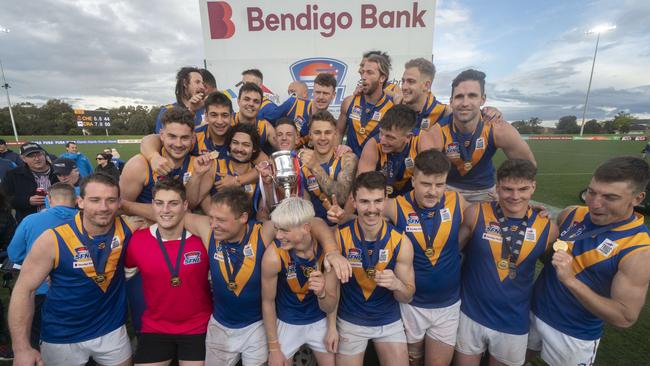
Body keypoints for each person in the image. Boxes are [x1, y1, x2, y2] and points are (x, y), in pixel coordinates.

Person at [122, 183, 352, 366]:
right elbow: (169, 213)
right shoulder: (206, 228)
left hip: (256, 327)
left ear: (243, 218)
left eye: (221, 220)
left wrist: (332, 252)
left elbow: (312, 221)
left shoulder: (263, 232)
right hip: (220, 325)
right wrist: (127, 208)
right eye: (211, 218)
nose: (214, 225)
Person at [329, 150, 465, 366]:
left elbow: (483, 214)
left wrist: (529, 208)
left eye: (439, 185)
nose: (432, 191)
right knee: (414, 358)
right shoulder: (396, 205)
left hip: (444, 303)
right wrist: (343, 217)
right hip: (407, 306)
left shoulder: (457, 201)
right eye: (426, 184)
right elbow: (369, 214)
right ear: (413, 181)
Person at [527, 156, 650, 366]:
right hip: (531, 312)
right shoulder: (572, 214)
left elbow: (624, 317)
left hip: (573, 334)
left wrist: (570, 280)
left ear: (637, 198)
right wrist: (540, 229)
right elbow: (546, 258)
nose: (594, 203)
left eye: (610, 197)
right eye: (591, 192)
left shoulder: (638, 249)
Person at [9, 173, 140, 366]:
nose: (103, 208)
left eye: (111, 200)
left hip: (111, 329)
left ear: (119, 203)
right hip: (62, 335)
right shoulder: (52, 240)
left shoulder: (128, 227)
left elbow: (166, 216)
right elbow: (24, 290)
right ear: (80, 202)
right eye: (95, 200)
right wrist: (21, 349)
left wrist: (128, 206)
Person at [454, 159, 556, 366]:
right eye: (508, 189)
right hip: (470, 313)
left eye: (523, 189)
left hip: (513, 320)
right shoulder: (475, 214)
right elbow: (451, 253)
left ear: (533, 187)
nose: (515, 196)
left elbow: (552, 271)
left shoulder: (548, 228)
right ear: (497, 187)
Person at [125, 179, 212, 366]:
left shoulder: (202, 239)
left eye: (173, 203)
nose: (166, 210)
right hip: (155, 328)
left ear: (185, 206)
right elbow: (121, 275)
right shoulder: (137, 240)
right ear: (152, 205)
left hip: (197, 327)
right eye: (159, 203)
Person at [335, 171, 415, 365]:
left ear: (386, 200)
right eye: (364, 202)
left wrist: (397, 284)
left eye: (378, 201)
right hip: (350, 320)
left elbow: (408, 296)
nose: (372, 209)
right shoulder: (339, 237)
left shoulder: (401, 241)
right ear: (353, 201)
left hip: (388, 321)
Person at [436, 69, 535, 202]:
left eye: (472, 96)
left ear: (483, 99)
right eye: (459, 96)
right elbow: (424, 175)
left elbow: (528, 167)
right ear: (451, 101)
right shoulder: (436, 132)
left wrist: (511, 196)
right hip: (448, 189)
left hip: (485, 191)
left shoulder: (499, 129)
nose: (465, 103)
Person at [261, 198, 339, 366]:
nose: (278, 235)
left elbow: (331, 304)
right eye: (277, 229)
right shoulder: (273, 256)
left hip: (319, 319)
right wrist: (273, 348)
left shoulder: (326, 250)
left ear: (305, 229)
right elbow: (267, 302)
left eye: (284, 231)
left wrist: (322, 294)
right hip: (286, 322)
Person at [7, 183, 78, 350]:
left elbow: (14, 254)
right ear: (76, 200)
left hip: (39, 290)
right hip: (77, 291)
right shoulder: (85, 220)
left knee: (38, 337)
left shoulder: (30, 220)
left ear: (49, 199)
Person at [358, 104, 438, 197]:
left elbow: (430, 184)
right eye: (381, 133)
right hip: (381, 197)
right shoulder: (373, 144)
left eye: (390, 137)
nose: (382, 141)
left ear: (408, 137)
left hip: (414, 197)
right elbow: (363, 188)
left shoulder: (422, 141)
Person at [296, 110, 358, 225]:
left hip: (344, 226)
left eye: (328, 132)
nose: (323, 137)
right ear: (310, 135)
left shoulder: (347, 159)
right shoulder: (300, 162)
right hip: (314, 227)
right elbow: (305, 207)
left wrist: (315, 167)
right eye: (317, 132)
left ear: (335, 134)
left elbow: (341, 197)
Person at [338, 54, 395, 157]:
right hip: (350, 166)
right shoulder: (349, 102)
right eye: (363, 72)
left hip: (376, 169)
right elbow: (338, 133)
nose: (364, 77)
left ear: (382, 78)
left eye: (369, 73)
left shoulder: (392, 107)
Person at [261, 73, 338, 148]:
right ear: (313, 92)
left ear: (333, 95)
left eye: (325, 93)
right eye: (318, 92)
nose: (321, 97)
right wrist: (278, 144)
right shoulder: (293, 104)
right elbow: (263, 119)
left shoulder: (329, 122)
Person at [1, 142, 59, 222]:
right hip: (30, 222)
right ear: (23, 158)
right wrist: (27, 201)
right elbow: (4, 199)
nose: (37, 159)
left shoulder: (59, 172)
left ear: (45, 155)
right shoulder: (13, 175)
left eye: (39, 154)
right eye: (31, 156)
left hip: (58, 220)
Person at [399, 58, 449, 133]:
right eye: (403, 81)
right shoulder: (398, 104)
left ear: (426, 85)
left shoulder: (443, 112)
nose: (404, 87)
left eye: (411, 81)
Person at [155, 66, 206, 133]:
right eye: (197, 82)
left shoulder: (207, 109)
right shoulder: (167, 111)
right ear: (185, 83)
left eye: (202, 83)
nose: (202, 86)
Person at [234, 82, 278, 154]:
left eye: (256, 101)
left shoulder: (265, 127)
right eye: (247, 99)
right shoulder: (227, 122)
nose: (251, 104)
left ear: (260, 105)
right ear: (238, 101)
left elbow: (283, 149)